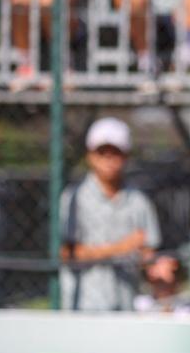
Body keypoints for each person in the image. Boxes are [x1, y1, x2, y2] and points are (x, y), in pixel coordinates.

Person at [60, 117, 178, 311]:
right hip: (82, 309)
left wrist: (156, 268)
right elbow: (67, 253)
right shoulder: (73, 198)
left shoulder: (139, 202)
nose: (108, 159)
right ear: (90, 156)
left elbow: (147, 253)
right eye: (102, 152)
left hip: (125, 307)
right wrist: (121, 248)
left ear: (126, 156)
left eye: (115, 152)